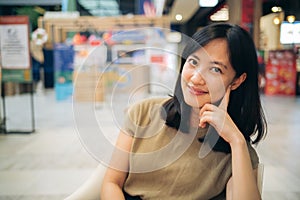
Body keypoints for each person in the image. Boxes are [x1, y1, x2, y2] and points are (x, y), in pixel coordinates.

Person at [101, 23, 267, 200]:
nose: (195, 78)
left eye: (215, 69)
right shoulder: (143, 112)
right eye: (193, 62)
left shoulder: (235, 151)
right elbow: (111, 183)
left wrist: (236, 141)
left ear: (237, 81)